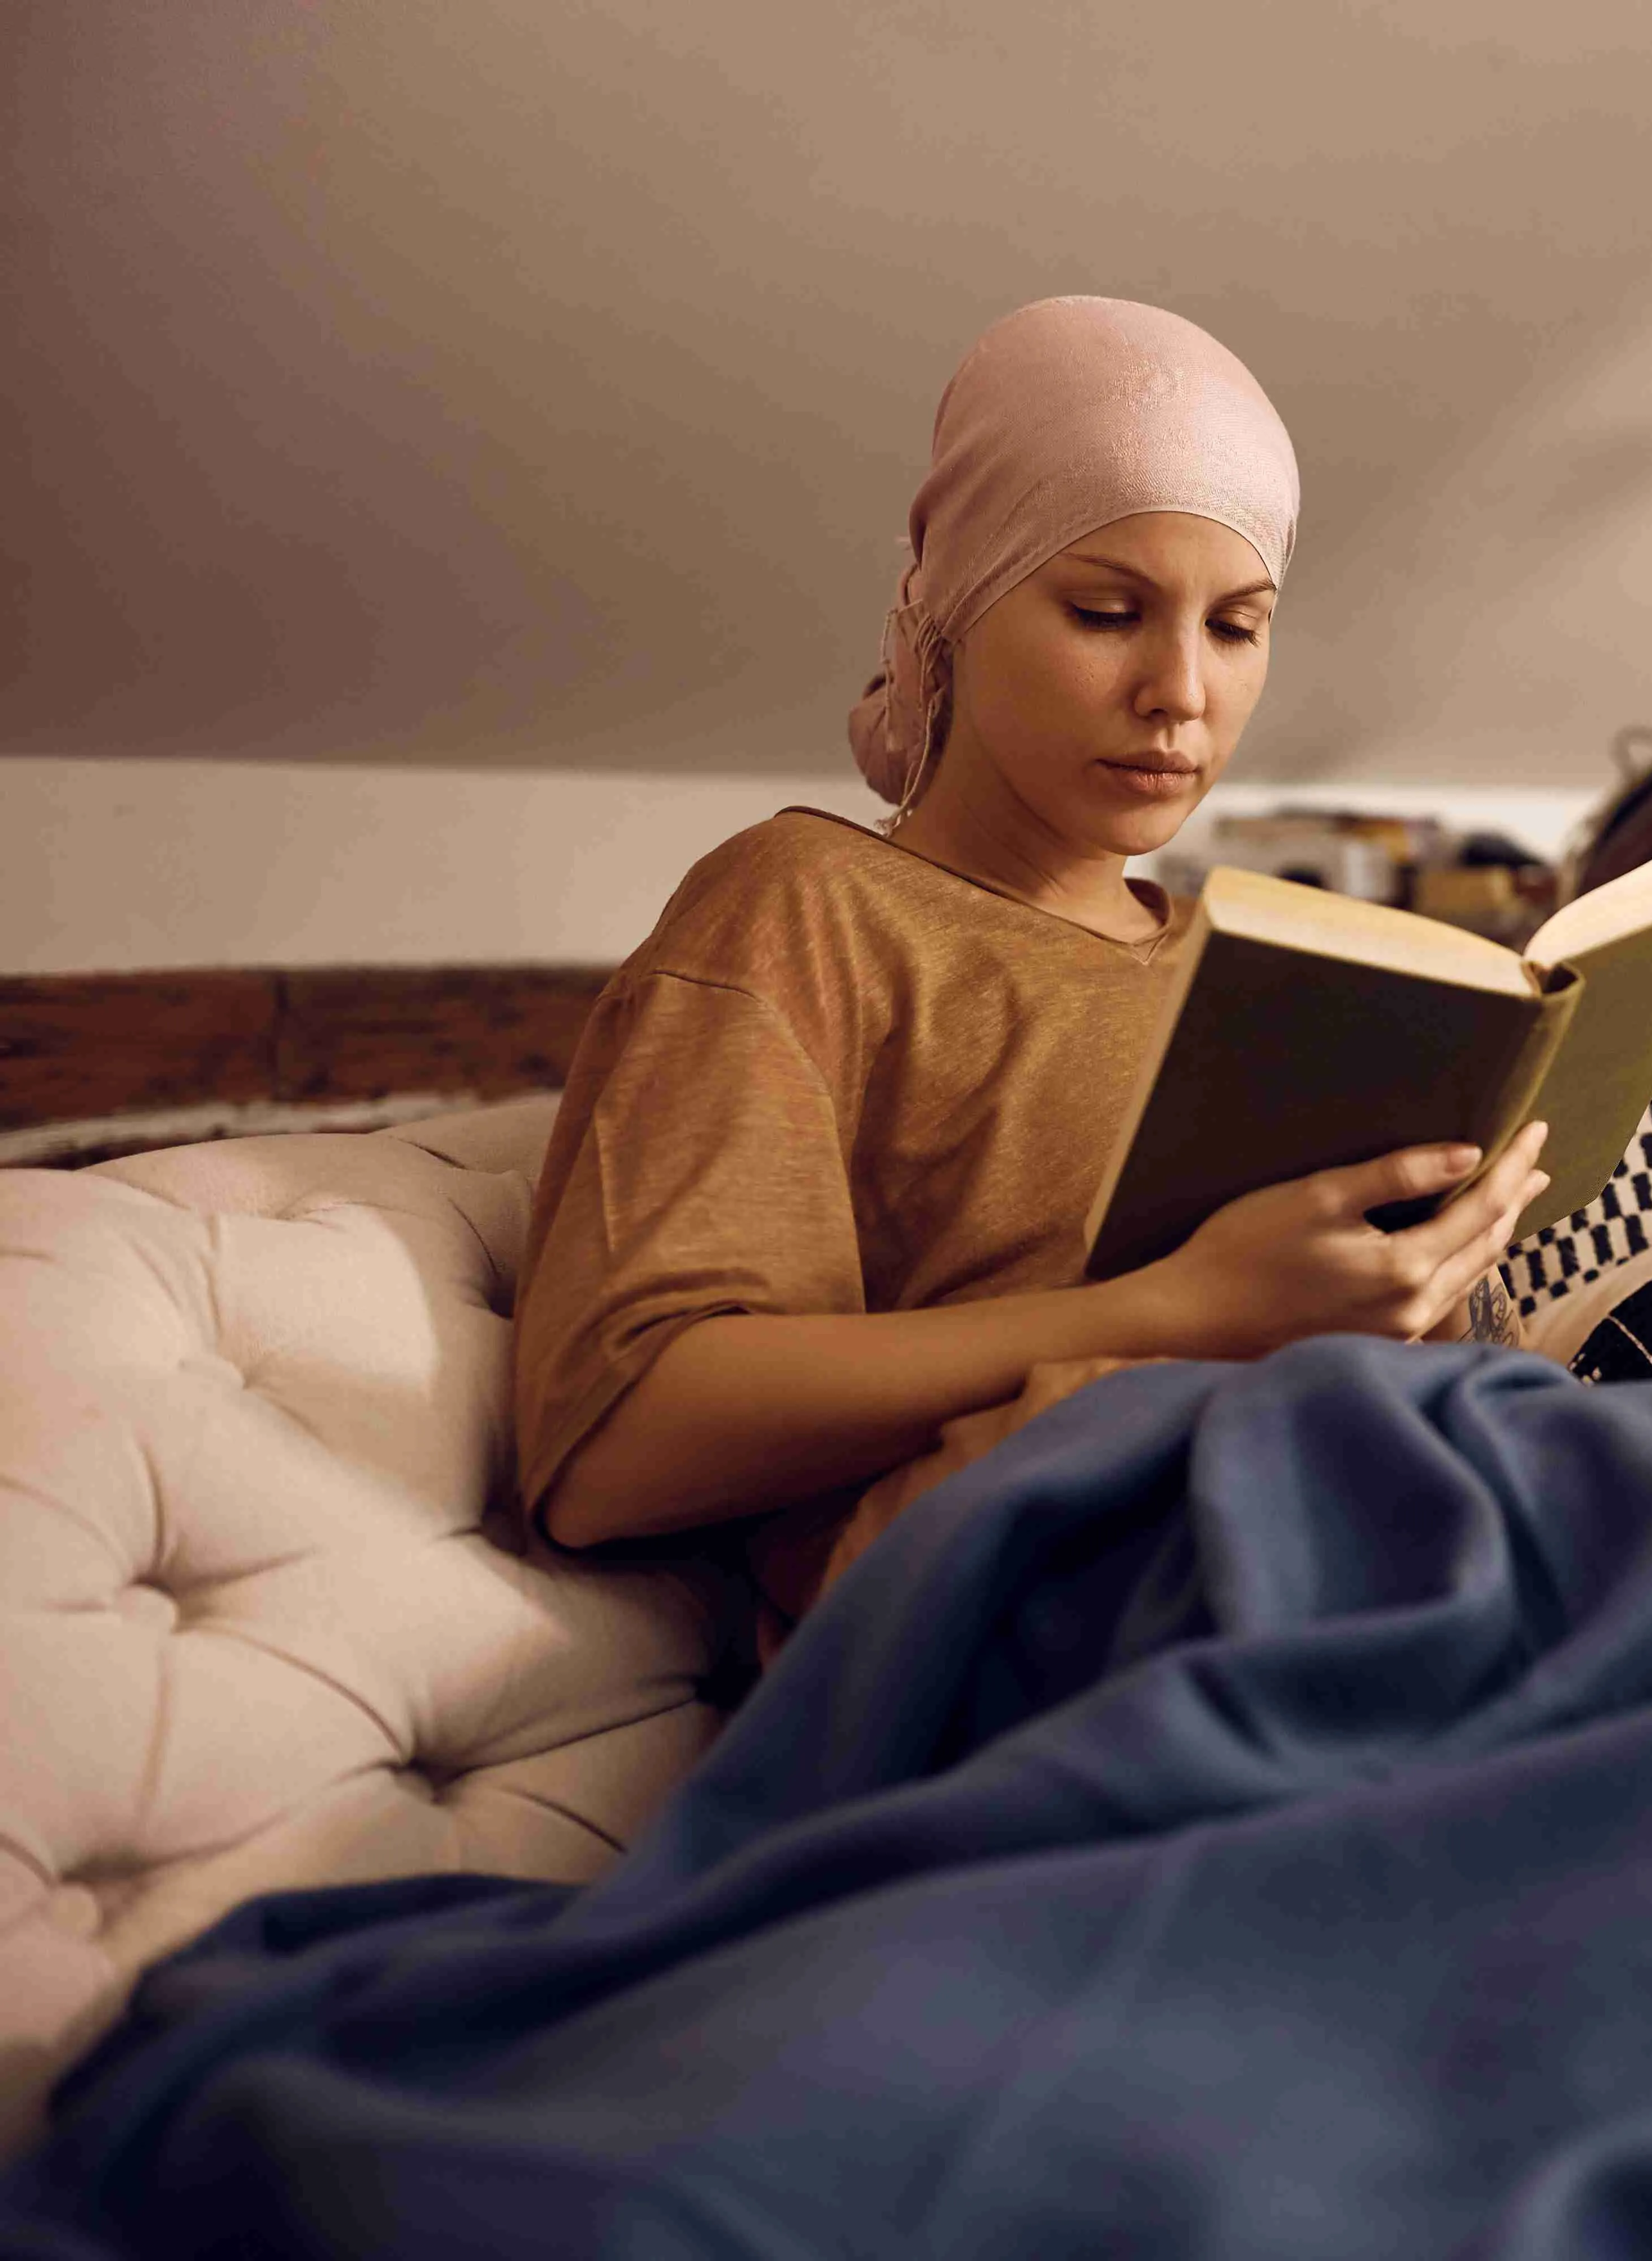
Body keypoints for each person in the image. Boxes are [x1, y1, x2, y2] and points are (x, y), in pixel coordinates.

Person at [513, 297, 1551, 1635]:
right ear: (956, 608)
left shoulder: (1262, 975)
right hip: (1063, 1581)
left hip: (1414, 1511)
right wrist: (1182, 1309)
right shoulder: (806, 905)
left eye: (1237, 627)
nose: (1180, 690)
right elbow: (616, 1448)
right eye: (1109, 610)